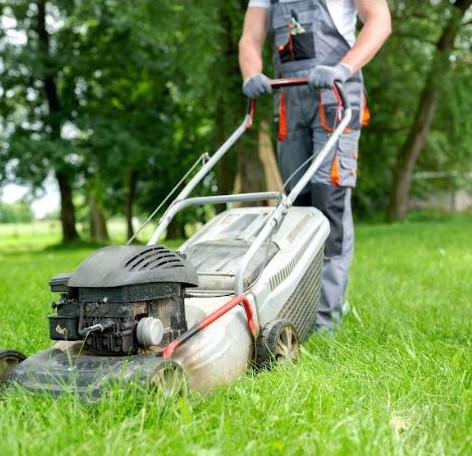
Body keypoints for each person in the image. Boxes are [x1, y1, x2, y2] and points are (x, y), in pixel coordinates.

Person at [239, 0, 391, 332]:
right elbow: (250, 37)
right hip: (290, 100)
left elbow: (379, 21)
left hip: (335, 98)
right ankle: (303, 307)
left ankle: (327, 317)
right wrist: (252, 73)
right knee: (298, 207)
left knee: (329, 202)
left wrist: (344, 67)